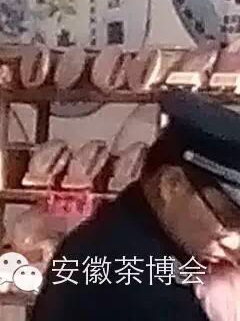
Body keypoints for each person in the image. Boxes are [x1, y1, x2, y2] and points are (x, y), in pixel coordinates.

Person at [31, 91, 240, 321]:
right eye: (230, 218)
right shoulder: (130, 275)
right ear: (172, 185)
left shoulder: (137, 236)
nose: (237, 244)